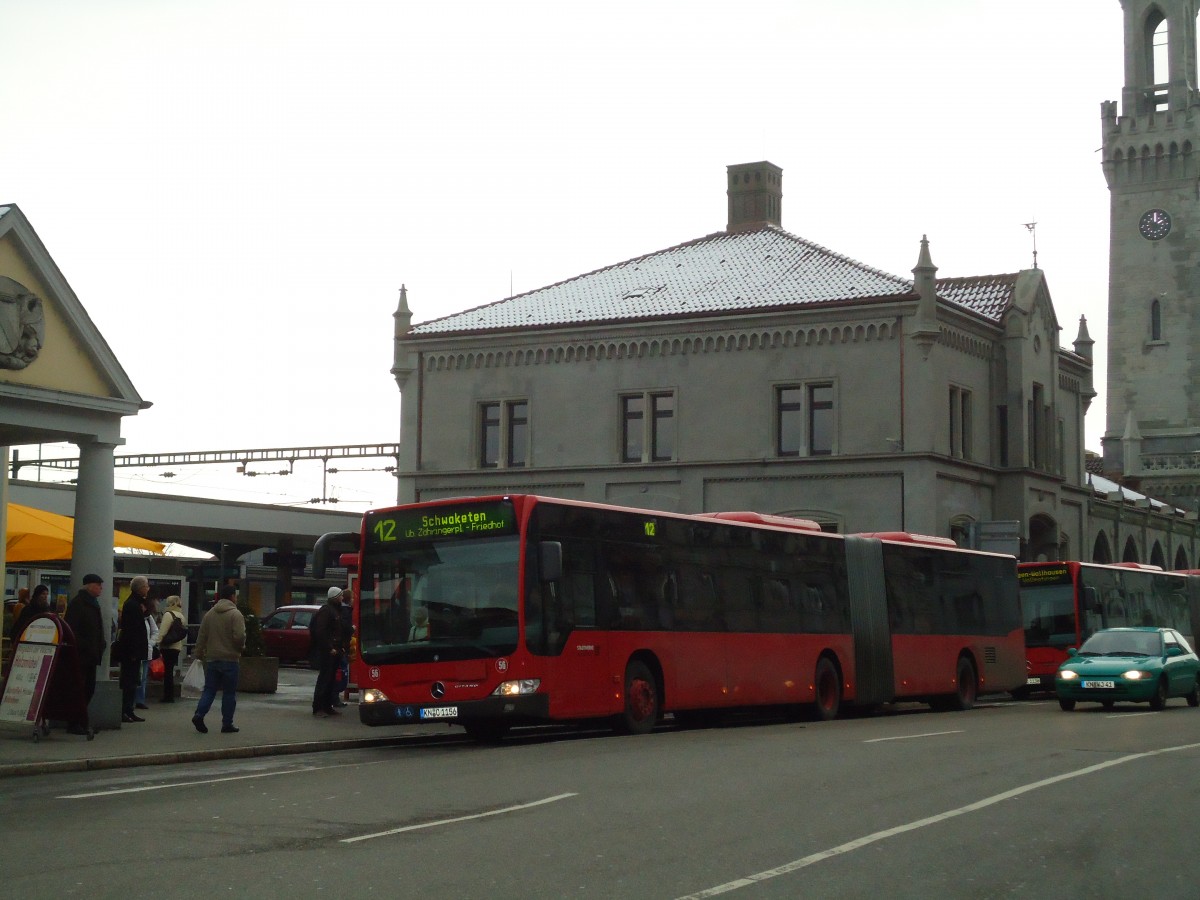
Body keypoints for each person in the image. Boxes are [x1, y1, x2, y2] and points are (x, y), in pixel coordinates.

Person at [191, 583, 246, 734]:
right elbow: (240, 636)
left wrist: (199, 653)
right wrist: (240, 647)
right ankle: (227, 723)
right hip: (230, 659)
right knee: (229, 693)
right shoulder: (236, 614)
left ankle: (199, 714)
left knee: (209, 690)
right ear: (233, 596)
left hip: (213, 659)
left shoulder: (210, 614)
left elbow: (202, 636)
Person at [64, 575, 107, 735]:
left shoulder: (92, 604)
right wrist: (88, 646)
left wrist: (100, 644)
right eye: (98, 585)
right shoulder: (78, 604)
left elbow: (96, 628)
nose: (101, 588)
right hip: (82, 656)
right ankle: (74, 723)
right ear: (89, 586)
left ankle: (80, 721)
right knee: (81, 689)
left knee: (89, 688)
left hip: (91, 655)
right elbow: (72, 629)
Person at [117, 576, 152, 723]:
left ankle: (129, 710)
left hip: (134, 650)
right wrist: (133, 651)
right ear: (140, 588)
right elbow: (131, 630)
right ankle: (125, 710)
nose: (148, 588)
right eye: (146, 586)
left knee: (133, 681)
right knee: (129, 681)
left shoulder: (136, 603)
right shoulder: (132, 604)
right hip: (131, 651)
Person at [310, 586, 344, 717]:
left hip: (334, 650)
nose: (342, 598)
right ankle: (318, 707)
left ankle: (327, 706)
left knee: (330, 680)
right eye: (340, 596)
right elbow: (320, 631)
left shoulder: (334, 610)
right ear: (335, 597)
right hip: (328, 652)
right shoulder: (327, 611)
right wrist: (330, 648)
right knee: (324, 679)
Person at [157, 595, 186, 702]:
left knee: (167, 672)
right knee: (170, 671)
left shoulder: (168, 615)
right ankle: (170, 695)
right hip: (177, 647)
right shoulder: (181, 615)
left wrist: (157, 643)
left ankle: (167, 696)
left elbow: (163, 632)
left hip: (167, 647)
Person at [135, 592, 159, 709]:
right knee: (137, 676)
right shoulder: (137, 617)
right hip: (138, 650)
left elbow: (155, 632)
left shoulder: (148, 618)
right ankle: (135, 700)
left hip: (147, 651)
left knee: (143, 677)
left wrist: (150, 643)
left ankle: (140, 700)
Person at [333, 592, 354, 708]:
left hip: (341, 646)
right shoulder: (346, 611)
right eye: (352, 598)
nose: (354, 600)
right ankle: (335, 697)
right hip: (342, 647)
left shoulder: (342, 610)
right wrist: (352, 629)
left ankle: (334, 697)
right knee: (341, 672)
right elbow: (345, 628)